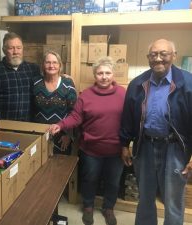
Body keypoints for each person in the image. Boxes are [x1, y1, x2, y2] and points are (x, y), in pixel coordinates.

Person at [119, 39, 192, 225]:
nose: (158, 59)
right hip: (145, 147)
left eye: (163, 54)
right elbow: (128, 118)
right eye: (153, 55)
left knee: (173, 200)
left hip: (176, 149)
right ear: (148, 58)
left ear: (174, 56)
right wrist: (124, 145)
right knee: (144, 198)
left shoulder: (188, 83)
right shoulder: (137, 84)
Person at [49, 56, 126, 225]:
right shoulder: (86, 95)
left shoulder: (122, 94)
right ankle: (88, 207)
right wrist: (61, 125)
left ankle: (108, 208)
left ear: (113, 74)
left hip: (116, 150)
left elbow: (130, 118)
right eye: (100, 73)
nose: (104, 76)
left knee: (113, 182)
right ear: (94, 75)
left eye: (107, 73)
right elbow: (76, 117)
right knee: (89, 180)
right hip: (91, 150)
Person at [0, 32, 40, 128]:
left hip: (28, 125)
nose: (15, 52)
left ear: (22, 49)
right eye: (11, 48)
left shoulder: (33, 69)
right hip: (2, 126)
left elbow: (48, 81)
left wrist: (62, 77)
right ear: (4, 50)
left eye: (18, 48)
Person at [33, 50, 77, 155]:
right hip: (39, 135)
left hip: (62, 137)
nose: (51, 65)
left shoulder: (68, 84)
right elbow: (31, 109)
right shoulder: (35, 82)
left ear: (59, 65)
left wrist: (69, 136)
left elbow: (74, 112)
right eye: (48, 62)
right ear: (43, 65)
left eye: (55, 62)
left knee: (60, 168)